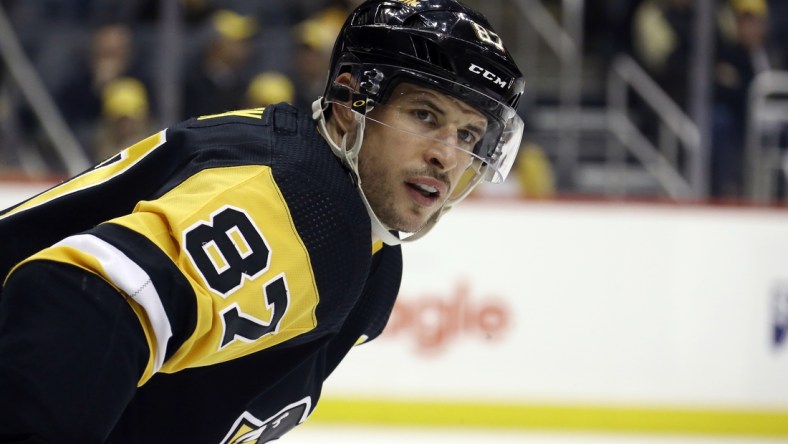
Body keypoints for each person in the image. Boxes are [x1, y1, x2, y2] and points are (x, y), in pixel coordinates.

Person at [0, 0, 525, 442]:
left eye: (469, 136)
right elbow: (87, 296)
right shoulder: (305, 207)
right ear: (347, 102)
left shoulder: (369, 255)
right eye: (425, 116)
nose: (447, 157)